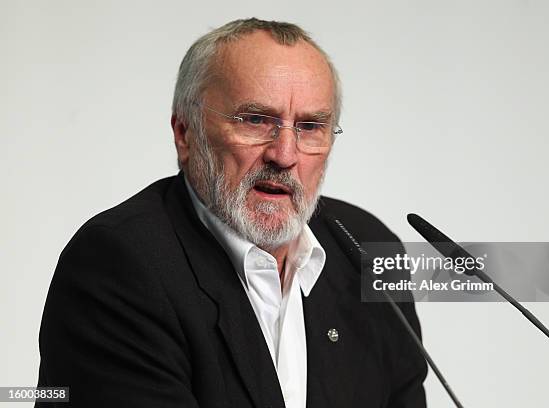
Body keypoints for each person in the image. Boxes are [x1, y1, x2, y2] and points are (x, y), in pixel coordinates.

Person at [36, 18, 427, 408]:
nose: (285, 155)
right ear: (185, 132)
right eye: (256, 120)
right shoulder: (117, 264)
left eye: (309, 127)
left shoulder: (366, 249)